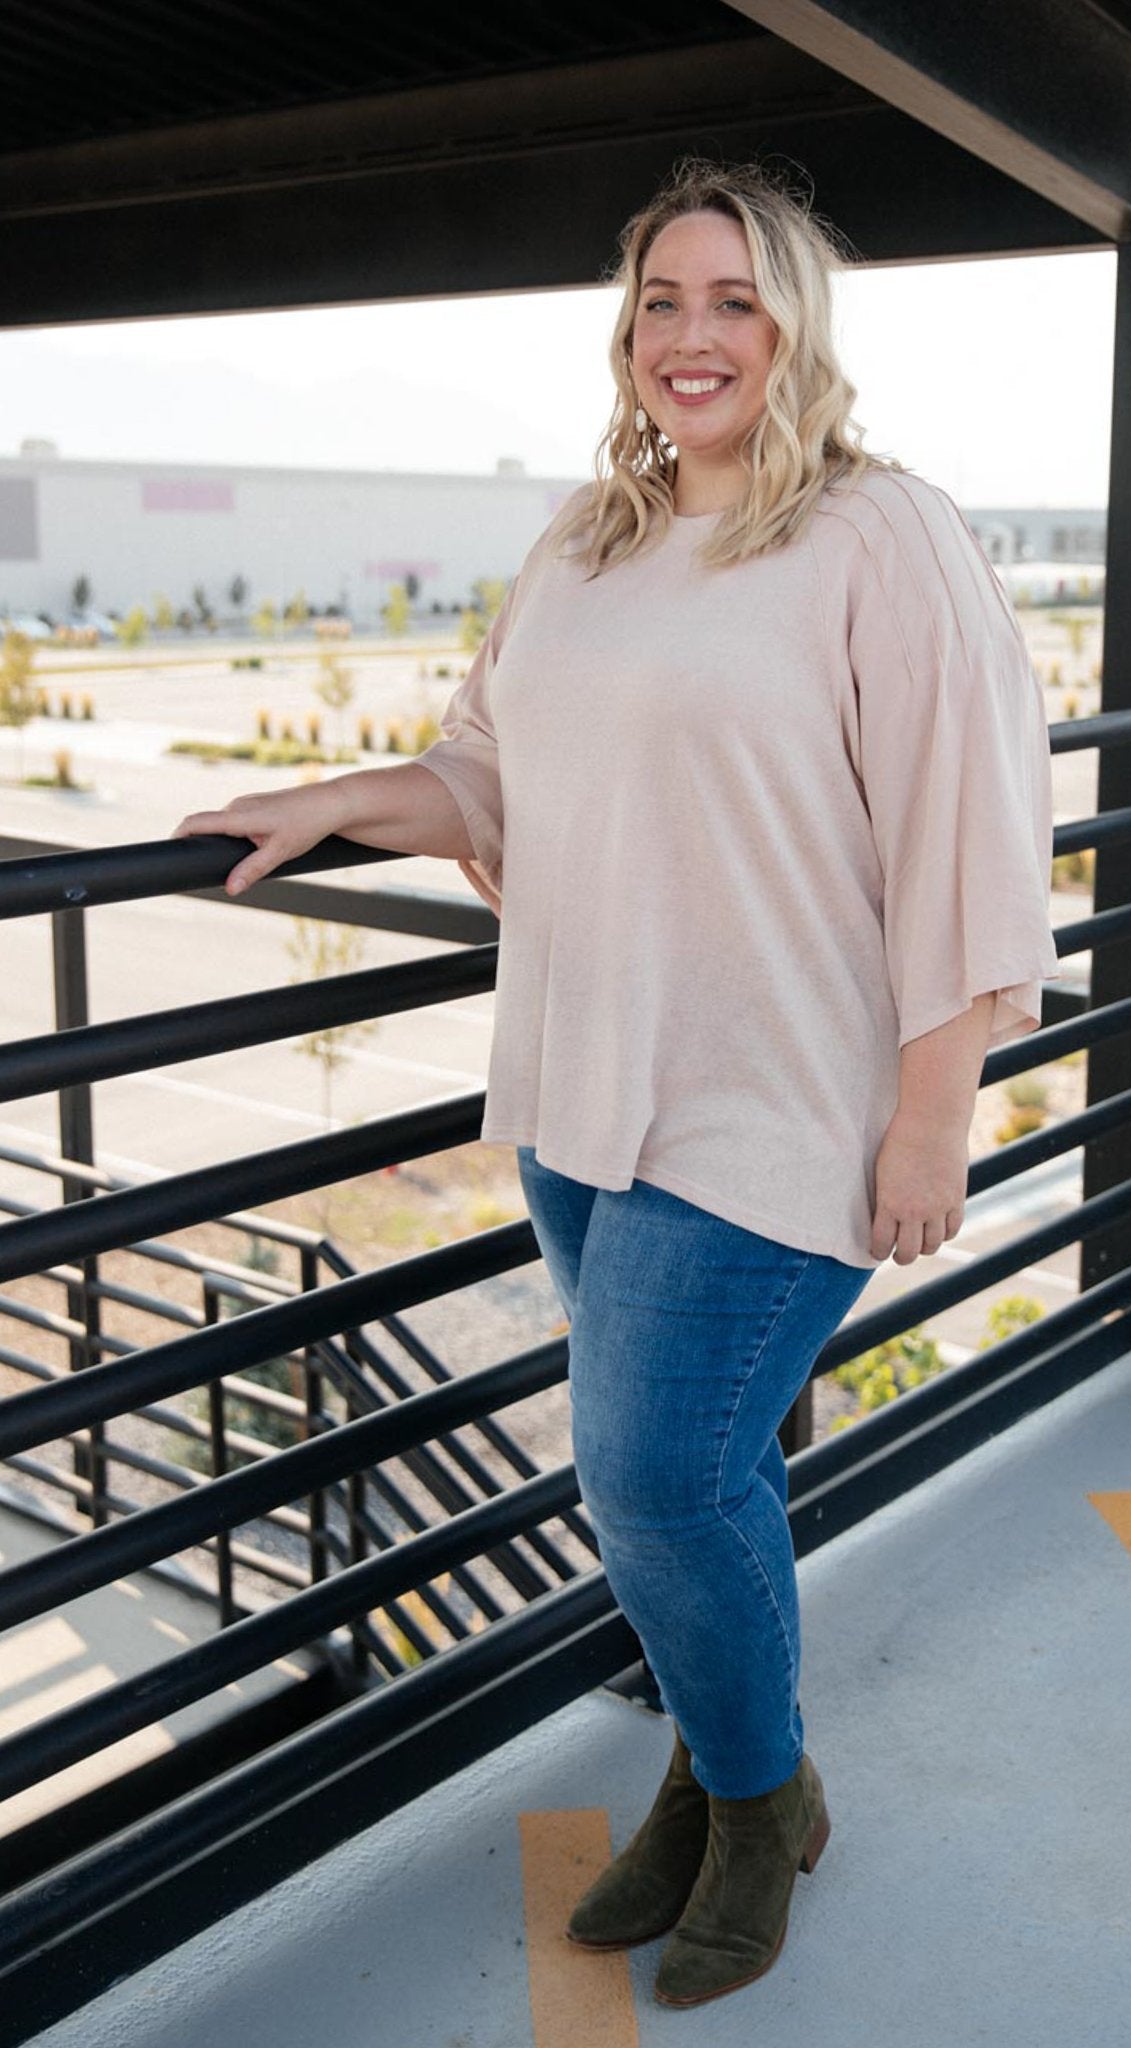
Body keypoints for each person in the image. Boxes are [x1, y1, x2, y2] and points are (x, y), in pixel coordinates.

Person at [174, 157, 1059, 2009]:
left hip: (787, 1099)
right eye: (662, 301)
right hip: (586, 1098)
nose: (692, 336)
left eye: (733, 301)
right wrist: (340, 799)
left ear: (795, 326)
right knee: (704, 1475)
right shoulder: (584, 538)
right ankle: (721, 1766)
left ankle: (757, 1799)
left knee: (651, 1475)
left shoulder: (881, 532)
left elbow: (970, 822)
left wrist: (931, 1110)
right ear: (626, 332)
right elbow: (486, 773)